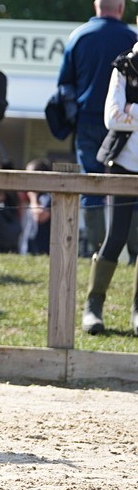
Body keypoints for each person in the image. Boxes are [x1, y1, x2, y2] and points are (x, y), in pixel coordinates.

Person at [57, 0, 138, 256]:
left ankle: (97, 250)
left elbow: (64, 85)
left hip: (88, 120)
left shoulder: (78, 36)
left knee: (91, 183)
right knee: (131, 186)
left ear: (96, 6)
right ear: (121, 8)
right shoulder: (131, 39)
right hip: (127, 126)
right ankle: (133, 255)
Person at [82, 43, 138, 335]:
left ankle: (137, 312)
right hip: (122, 165)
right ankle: (94, 306)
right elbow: (112, 118)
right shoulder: (124, 67)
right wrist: (125, 112)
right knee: (115, 238)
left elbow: (125, 115)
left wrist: (133, 110)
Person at [21, 158, 52, 256]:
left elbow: (40, 216)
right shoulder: (36, 195)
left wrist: (33, 197)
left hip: (42, 250)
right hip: (29, 248)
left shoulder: (48, 196)